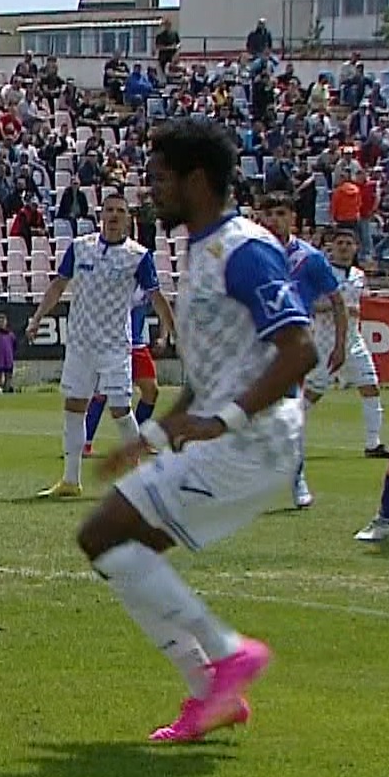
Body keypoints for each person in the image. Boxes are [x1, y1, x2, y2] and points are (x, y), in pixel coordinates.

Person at [84, 117, 314, 742]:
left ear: (197, 179)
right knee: (118, 552)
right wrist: (152, 437)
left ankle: (224, 655)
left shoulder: (245, 249)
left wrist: (224, 420)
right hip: (230, 438)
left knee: (105, 535)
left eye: (160, 180)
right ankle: (214, 693)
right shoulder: (203, 248)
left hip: (253, 442)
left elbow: (300, 350)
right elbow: (213, 370)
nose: (150, 192)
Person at [27, 192, 159, 498]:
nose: (114, 216)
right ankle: (70, 480)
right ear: (101, 215)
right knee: (74, 406)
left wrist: (173, 329)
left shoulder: (138, 255)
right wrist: (37, 318)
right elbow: (59, 285)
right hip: (80, 344)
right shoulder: (80, 247)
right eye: (109, 210)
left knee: (120, 410)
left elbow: (155, 295)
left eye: (120, 211)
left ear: (128, 218)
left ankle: (140, 478)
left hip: (114, 346)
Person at [253, 192, 347, 509]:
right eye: (270, 214)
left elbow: (336, 300)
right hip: (251, 342)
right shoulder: (251, 255)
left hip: (290, 344)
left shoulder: (310, 258)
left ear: (292, 217)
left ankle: (297, 479)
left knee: (290, 412)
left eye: (281, 213)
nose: (275, 220)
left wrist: (340, 344)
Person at [317, 228, 389, 458]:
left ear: (356, 247)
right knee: (312, 393)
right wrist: (339, 309)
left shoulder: (358, 274)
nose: (344, 247)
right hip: (325, 340)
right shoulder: (322, 271)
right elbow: (310, 304)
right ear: (332, 246)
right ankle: (287, 440)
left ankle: (373, 443)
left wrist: (375, 297)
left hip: (353, 339)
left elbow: (359, 299)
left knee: (370, 386)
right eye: (340, 242)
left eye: (349, 243)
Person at [83, 287, 178, 453]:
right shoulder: (117, 279)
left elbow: (163, 308)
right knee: (102, 393)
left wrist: (163, 337)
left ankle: (138, 441)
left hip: (137, 345)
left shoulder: (147, 283)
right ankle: (85, 443)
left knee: (151, 391)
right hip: (114, 344)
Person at [0, 311, 17, 393]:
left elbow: (15, 346)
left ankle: (7, 389)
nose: (1, 323)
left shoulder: (11, 335)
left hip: (8, 359)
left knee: (8, 375)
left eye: (3, 321)